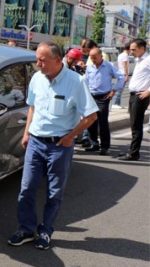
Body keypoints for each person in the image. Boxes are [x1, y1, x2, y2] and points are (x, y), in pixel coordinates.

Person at [7, 41, 97, 250]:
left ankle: (46, 231)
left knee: (54, 192)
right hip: (36, 143)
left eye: (43, 60)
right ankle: (26, 229)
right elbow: (33, 107)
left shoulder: (76, 82)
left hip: (59, 146)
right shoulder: (37, 79)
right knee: (26, 188)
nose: (38, 64)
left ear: (58, 60)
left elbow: (91, 116)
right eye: (37, 59)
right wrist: (27, 131)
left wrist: (70, 137)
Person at [84, 47, 125, 155]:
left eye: (95, 57)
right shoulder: (89, 67)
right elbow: (87, 81)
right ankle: (94, 143)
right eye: (91, 58)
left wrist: (114, 90)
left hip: (103, 97)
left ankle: (105, 146)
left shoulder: (108, 66)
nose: (93, 60)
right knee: (91, 121)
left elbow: (121, 77)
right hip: (91, 96)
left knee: (103, 122)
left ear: (101, 56)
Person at [118, 38, 150, 161]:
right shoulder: (139, 60)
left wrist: (148, 91)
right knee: (133, 124)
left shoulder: (148, 60)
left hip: (140, 96)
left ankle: (134, 153)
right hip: (133, 95)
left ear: (142, 48)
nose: (131, 52)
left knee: (136, 125)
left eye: (133, 49)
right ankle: (132, 151)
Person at [112, 42, 131, 109]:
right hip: (123, 73)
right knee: (120, 89)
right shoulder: (125, 55)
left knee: (120, 88)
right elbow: (125, 65)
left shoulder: (121, 55)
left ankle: (118, 103)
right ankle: (115, 103)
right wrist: (127, 75)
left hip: (120, 72)